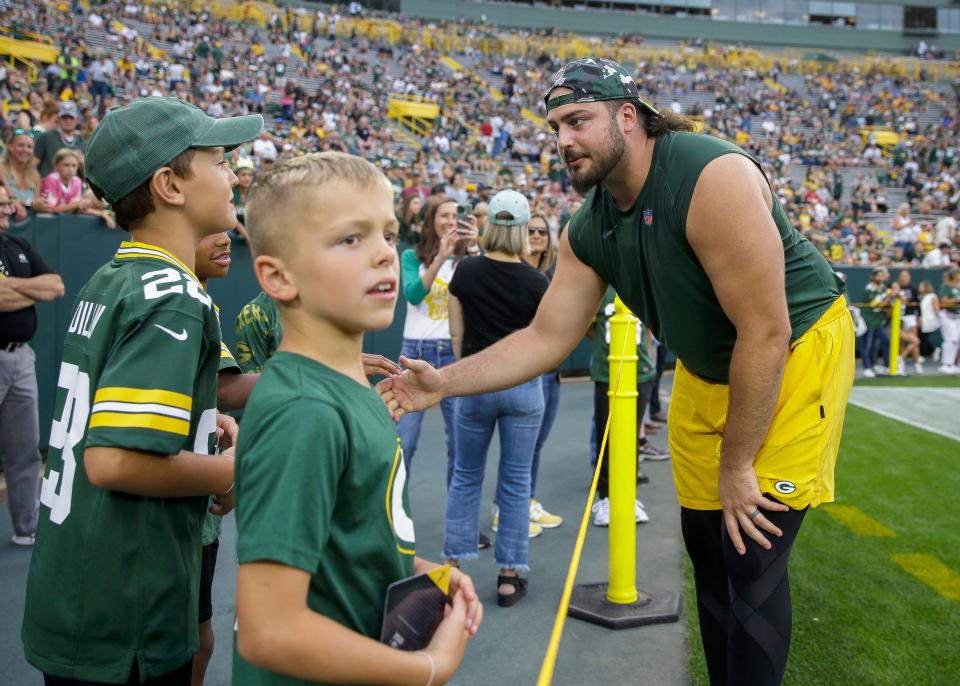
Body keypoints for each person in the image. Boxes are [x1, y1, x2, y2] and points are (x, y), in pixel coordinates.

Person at [379, 58, 855, 686]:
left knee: (751, 556)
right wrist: (443, 383)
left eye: (578, 120)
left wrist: (737, 466)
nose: (563, 141)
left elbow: (767, 332)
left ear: (628, 117)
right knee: (708, 552)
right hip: (710, 369)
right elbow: (546, 337)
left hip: (792, 355)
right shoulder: (588, 226)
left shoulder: (711, 176)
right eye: (554, 127)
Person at [21, 96, 263, 685]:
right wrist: (232, 469)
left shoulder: (120, 275)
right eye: (217, 159)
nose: (232, 174)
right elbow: (116, 459)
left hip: (81, 586)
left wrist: (202, 426)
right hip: (126, 604)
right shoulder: (172, 294)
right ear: (169, 185)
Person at [233, 152, 482, 685]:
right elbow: (267, 629)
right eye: (352, 239)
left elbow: (351, 542)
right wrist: (426, 668)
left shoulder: (353, 391)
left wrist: (422, 575)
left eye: (389, 235)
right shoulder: (305, 411)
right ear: (278, 276)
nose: (384, 256)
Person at [444, 189, 549, 606]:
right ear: (523, 231)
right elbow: (544, 342)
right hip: (523, 387)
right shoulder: (536, 281)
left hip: (474, 382)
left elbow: (456, 335)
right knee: (516, 481)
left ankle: (452, 569)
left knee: (466, 475)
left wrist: (466, 373)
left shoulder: (467, 271)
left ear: (490, 227)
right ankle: (508, 576)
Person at [0, 184, 65, 546]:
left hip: (22, 356)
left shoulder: (18, 246)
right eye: (0, 203)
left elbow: (55, 286)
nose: (7, 209)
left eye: (8, 202)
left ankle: (26, 527)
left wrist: (13, 289)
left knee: (25, 448)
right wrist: (28, 290)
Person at [397, 195, 477, 481]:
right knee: (403, 443)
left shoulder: (468, 261)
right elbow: (414, 294)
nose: (451, 222)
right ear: (431, 221)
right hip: (415, 354)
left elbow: (484, 291)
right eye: (444, 215)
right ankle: (393, 520)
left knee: (460, 445)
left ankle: (457, 525)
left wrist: (474, 246)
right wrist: (441, 256)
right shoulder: (411, 257)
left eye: (457, 216)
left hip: (453, 356)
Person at [587, 287, 657, 527]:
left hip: (640, 372)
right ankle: (606, 498)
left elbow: (648, 329)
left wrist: (645, 357)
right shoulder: (600, 290)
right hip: (608, 372)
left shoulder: (640, 285)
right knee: (606, 439)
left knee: (630, 439)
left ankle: (628, 497)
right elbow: (589, 326)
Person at [521, 212, 563, 529]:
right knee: (522, 444)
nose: (537, 235)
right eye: (530, 230)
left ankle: (527, 501)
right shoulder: (514, 272)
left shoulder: (551, 275)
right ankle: (509, 507)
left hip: (550, 371)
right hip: (524, 370)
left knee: (537, 443)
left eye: (542, 231)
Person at [33, 100, 86, 178]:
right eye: (64, 117)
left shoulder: (83, 142)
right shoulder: (46, 137)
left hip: (73, 187)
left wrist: (82, 165)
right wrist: (38, 186)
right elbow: (32, 166)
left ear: (77, 119)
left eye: (71, 117)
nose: (68, 120)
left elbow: (87, 177)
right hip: (48, 186)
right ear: (58, 118)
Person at [860, 266, 897, 378]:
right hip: (869, 320)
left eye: (882, 275)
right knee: (867, 345)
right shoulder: (869, 288)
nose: (882, 277)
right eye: (879, 275)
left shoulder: (882, 287)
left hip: (878, 321)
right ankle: (866, 368)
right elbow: (875, 304)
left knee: (885, 342)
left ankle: (885, 366)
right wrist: (888, 296)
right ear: (874, 276)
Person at [1, 128, 42, 220]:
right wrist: (28, 203)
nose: (25, 150)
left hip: (28, 225)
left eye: (29, 147)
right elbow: (9, 198)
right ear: (10, 147)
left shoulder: (35, 175)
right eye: (21, 145)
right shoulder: (1, 168)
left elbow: (36, 202)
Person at [938, 267, 960, 373]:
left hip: (957, 315)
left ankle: (951, 364)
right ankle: (945, 364)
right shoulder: (946, 286)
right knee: (949, 340)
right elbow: (943, 301)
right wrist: (956, 300)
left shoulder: (958, 287)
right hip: (947, 315)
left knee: (956, 341)